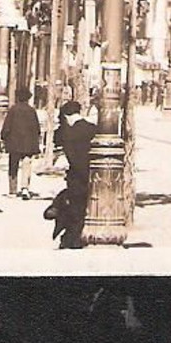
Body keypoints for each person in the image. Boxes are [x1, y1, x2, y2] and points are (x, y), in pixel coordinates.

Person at [52, 100, 95, 248]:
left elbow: (61, 147)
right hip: (93, 173)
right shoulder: (92, 128)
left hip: (76, 175)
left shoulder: (68, 132)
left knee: (75, 207)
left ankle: (72, 239)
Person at [1, 87, 43, 199]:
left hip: (14, 143)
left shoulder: (13, 110)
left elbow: (7, 126)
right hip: (28, 144)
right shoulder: (31, 110)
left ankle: (12, 190)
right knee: (26, 164)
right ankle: (25, 187)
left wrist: (3, 137)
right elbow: (37, 128)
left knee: (13, 165)